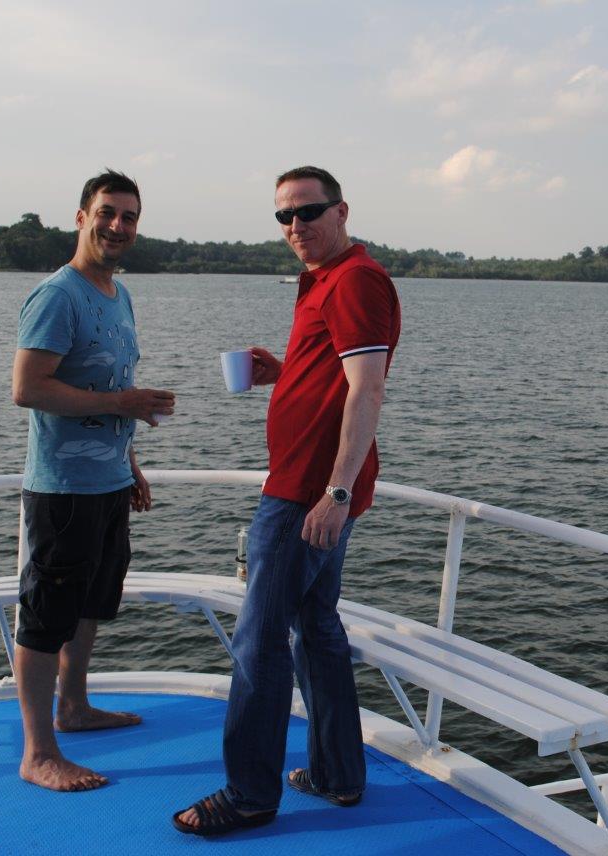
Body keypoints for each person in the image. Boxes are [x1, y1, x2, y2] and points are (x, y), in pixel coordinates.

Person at [174, 165, 401, 836]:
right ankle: (337, 774)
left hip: (306, 493)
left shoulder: (355, 279)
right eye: (283, 216)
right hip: (314, 488)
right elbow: (337, 374)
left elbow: (367, 389)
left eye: (308, 211)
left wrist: (335, 492)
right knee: (317, 629)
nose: (295, 225)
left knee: (259, 641)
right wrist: (286, 371)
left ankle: (248, 795)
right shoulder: (324, 279)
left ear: (342, 211)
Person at [11, 169, 176, 792]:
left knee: (90, 604)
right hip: (63, 489)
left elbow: (108, 386)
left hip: (106, 483)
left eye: (129, 216)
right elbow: (28, 388)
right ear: (82, 217)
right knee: (46, 615)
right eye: (107, 212)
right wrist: (124, 403)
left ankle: (74, 707)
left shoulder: (118, 294)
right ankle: (38, 753)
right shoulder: (58, 295)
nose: (117, 225)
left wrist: (128, 462)